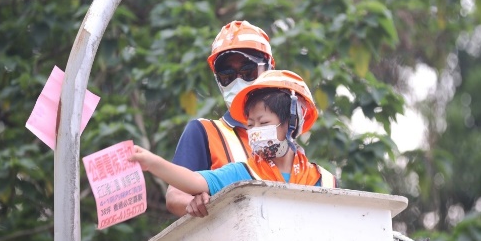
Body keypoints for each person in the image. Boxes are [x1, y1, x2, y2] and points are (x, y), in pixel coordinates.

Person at [130, 70, 337, 197]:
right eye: (251, 125)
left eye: (263, 122)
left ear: (292, 123)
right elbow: (193, 181)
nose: (255, 132)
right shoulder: (243, 173)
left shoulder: (325, 181)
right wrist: (153, 163)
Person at [166, 20, 275, 217]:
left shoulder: (285, 134)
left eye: (248, 71)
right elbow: (175, 196)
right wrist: (198, 204)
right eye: (227, 75)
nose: (238, 80)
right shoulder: (204, 132)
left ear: (269, 69)